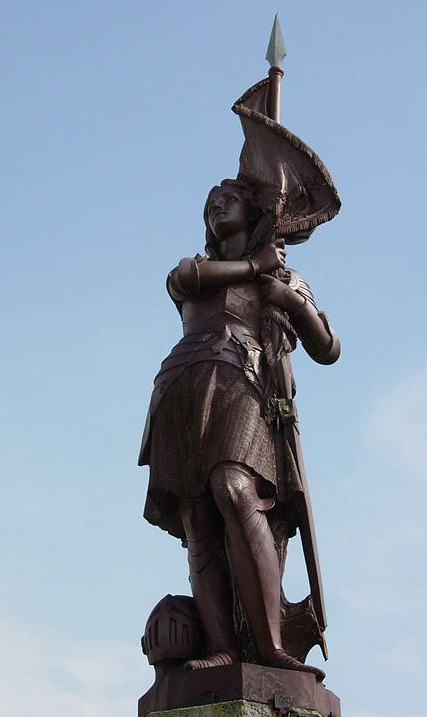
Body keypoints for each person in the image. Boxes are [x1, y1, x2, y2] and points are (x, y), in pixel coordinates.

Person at [139, 178, 339, 671]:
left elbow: (328, 348)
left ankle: (269, 644)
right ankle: (223, 647)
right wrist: (255, 267)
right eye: (209, 203)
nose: (216, 206)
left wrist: (289, 301)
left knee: (234, 489)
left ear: (253, 213)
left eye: (227, 199)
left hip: (242, 379)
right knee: (197, 518)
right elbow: (184, 280)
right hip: (181, 386)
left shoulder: (286, 279)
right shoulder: (202, 268)